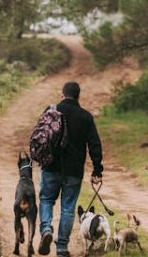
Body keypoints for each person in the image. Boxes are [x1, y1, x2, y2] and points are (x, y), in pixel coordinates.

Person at [38, 81, 103, 257]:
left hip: (51, 166)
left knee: (46, 199)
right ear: (78, 96)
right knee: (68, 208)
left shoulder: (51, 111)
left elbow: (41, 137)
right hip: (74, 170)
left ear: (62, 94)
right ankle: (61, 248)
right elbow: (94, 145)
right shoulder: (85, 116)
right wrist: (97, 170)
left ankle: (46, 229)